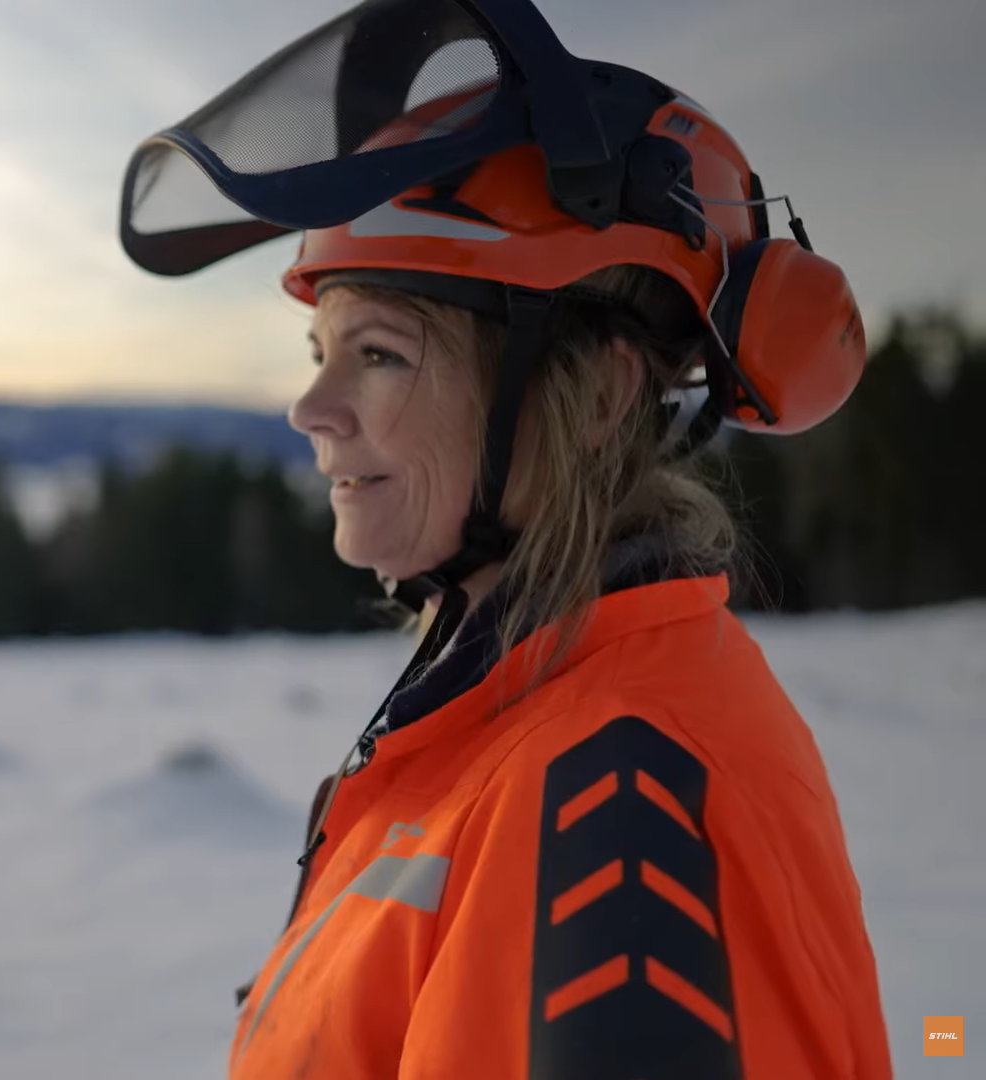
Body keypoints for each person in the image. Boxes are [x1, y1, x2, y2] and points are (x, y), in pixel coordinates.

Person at [117, 0, 891, 1076]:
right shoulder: (498, 711)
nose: (311, 409)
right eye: (318, 349)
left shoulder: (627, 799)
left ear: (599, 395)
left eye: (380, 354)